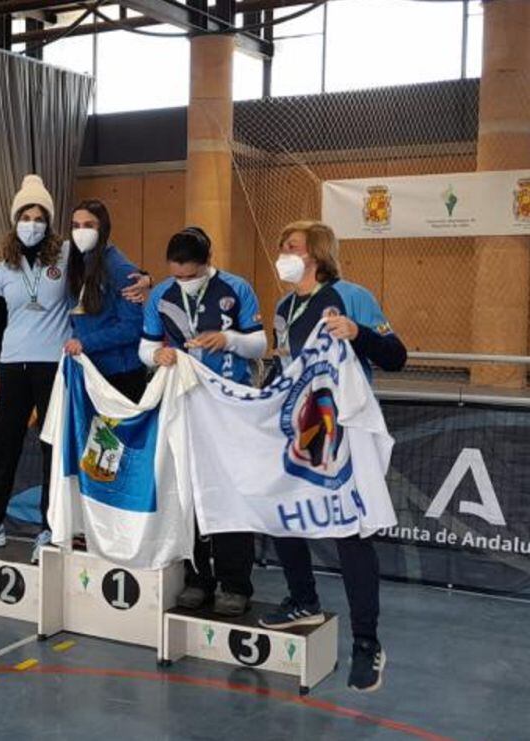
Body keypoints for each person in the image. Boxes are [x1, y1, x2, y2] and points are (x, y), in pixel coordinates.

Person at [257, 220, 407, 692]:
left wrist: (357, 332)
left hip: (345, 434)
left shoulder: (351, 295)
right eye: (282, 245)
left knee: (351, 533)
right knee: (279, 512)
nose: (283, 252)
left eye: (292, 246)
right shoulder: (283, 306)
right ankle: (303, 598)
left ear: (317, 254)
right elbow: (287, 370)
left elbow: (395, 355)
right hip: (301, 432)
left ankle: (367, 643)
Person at [139, 226, 266, 616]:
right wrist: (155, 357)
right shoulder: (160, 295)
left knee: (229, 494)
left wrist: (227, 341)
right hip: (184, 406)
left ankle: (235, 583)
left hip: (229, 406)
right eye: (176, 275)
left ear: (207, 264)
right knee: (189, 494)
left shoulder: (236, 289)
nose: (183, 282)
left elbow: (259, 343)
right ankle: (198, 578)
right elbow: (146, 344)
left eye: (190, 275)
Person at [0, 175, 70, 562]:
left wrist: (143, 279)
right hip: (10, 366)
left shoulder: (67, 256)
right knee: (3, 446)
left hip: (52, 365)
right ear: (15, 219)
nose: (32, 223)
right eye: (26, 215)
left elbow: (106, 267)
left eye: (40, 217)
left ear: (49, 222)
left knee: (51, 447)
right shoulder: (1, 267)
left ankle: (50, 527)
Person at [62, 198, 146, 402]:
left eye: (89, 225)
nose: (81, 231)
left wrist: (85, 342)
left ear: (103, 228)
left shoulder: (121, 269)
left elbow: (132, 327)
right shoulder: (78, 263)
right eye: (76, 226)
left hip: (121, 373)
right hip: (91, 370)